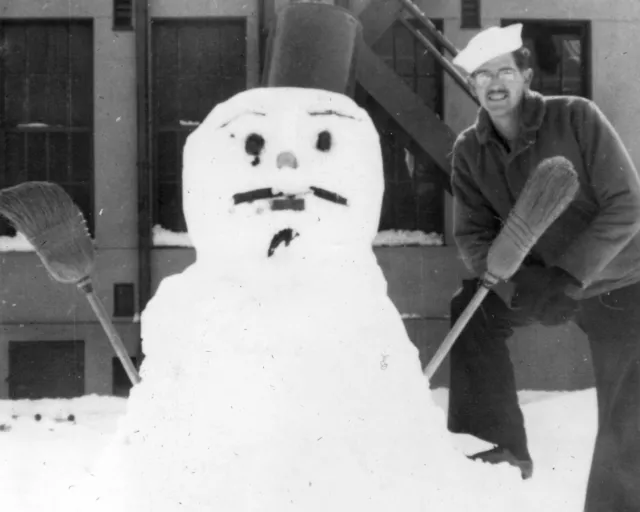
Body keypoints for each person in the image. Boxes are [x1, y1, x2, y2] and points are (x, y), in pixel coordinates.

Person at [448, 23, 640, 512]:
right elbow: (472, 237)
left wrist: (569, 275)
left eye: (506, 71)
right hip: (536, 284)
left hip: (620, 280)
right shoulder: (469, 152)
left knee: (628, 417)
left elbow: (626, 205)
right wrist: (520, 285)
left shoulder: (577, 118)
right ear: (471, 84)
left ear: (527, 74)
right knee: (472, 313)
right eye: (482, 75)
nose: (495, 83)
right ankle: (497, 448)